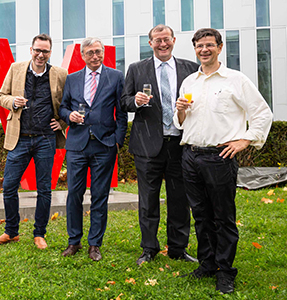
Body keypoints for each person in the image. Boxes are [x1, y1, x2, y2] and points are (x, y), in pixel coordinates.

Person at [174, 28, 273, 294]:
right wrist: (180, 112)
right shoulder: (189, 82)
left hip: (220, 157)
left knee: (223, 217)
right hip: (191, 155)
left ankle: (225, 271)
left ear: (219, 48)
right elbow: (181, 123)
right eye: (199, 46)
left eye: (209, 45)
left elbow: (263, 113)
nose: (203, 50)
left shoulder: (235, 80)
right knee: (200, 215)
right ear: (194, 49)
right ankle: (207, 264)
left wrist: (245, 140)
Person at [121, 25, 199, 266]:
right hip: (147, 146)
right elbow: (123, 102)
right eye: (157, 40)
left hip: (180, 144)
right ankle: (149, 248)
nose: (162, 44)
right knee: (148, 200)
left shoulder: (190, 68)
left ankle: (178, 248)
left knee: (179, 199)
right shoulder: (136, 69)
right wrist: (135, 100)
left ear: (174, 40)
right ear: (150, 43)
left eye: (166, 39)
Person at [0, 33, 68, 250]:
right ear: (31, 50)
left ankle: (39, 233)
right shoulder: (16, 69)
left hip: (45, 139)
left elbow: (69, 103)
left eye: (45, 51)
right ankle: (11, 232)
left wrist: (62, 123)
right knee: (9, 185)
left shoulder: (60, 74)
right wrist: (13, 101)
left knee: (44, 189)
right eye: (38, 50)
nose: (41, 55)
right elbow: (1, 95)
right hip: (20, 139)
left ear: (50, 53)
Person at [59, 37, 127, 261]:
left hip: (104, 144)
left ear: (104, 52)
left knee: (99, 196)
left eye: (98, 52)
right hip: (77, 145)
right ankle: (73, 241)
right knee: (74, 195)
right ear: (82, 55)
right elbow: (63, 107)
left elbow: (122, 110)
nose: (95, 56)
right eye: (90, 53)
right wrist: (68, 116)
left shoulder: (116, 77)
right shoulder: (72, 79)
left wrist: (118, 140)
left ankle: (95, 244)